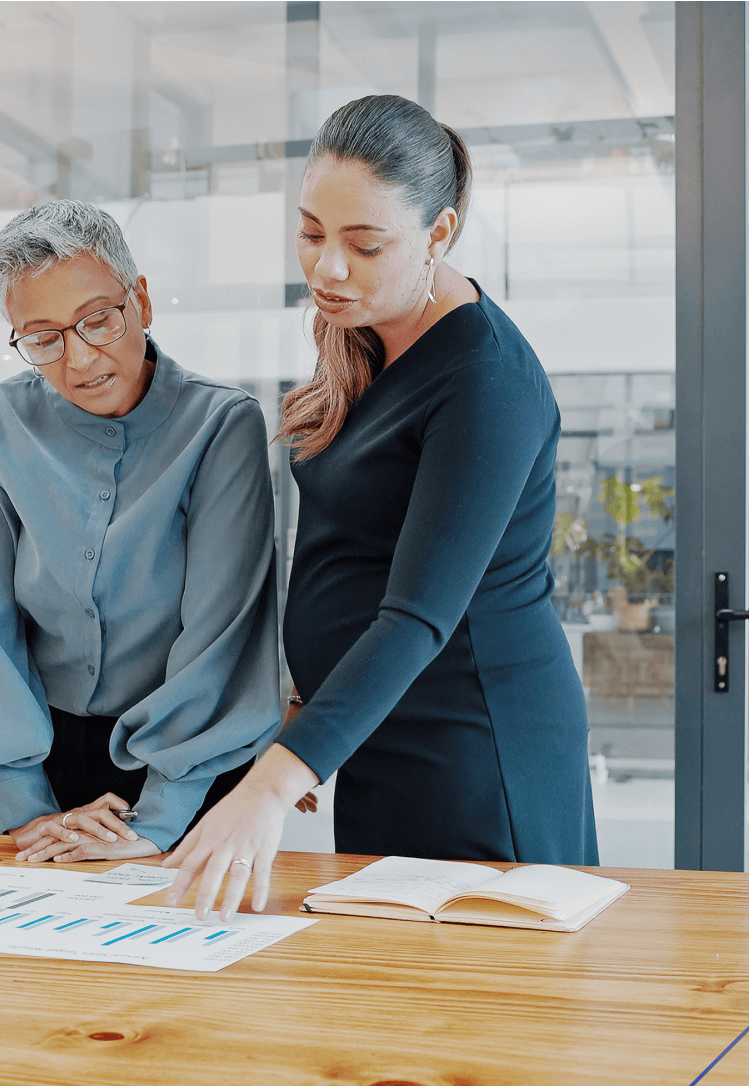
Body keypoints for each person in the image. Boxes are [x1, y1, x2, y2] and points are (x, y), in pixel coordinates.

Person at [163, 94, 599, 920]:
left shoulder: (485, 382)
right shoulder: (372, 334)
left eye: (365, 244)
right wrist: (311, 714)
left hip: (472, 742)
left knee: (473, 1012)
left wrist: (271, 781)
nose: (328, 268)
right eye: (312, 232)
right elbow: (356, 548)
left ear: (438, 234)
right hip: (375, 728)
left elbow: (418, 615)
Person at [0, 200, 281, 865]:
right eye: (43, 337)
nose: (79, 358)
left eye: (98, 320)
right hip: (33, 758)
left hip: (189, 767)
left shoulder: (222, 425)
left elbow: (220, 635)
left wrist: (156, 821)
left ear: (142, 301)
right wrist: (31, 811)